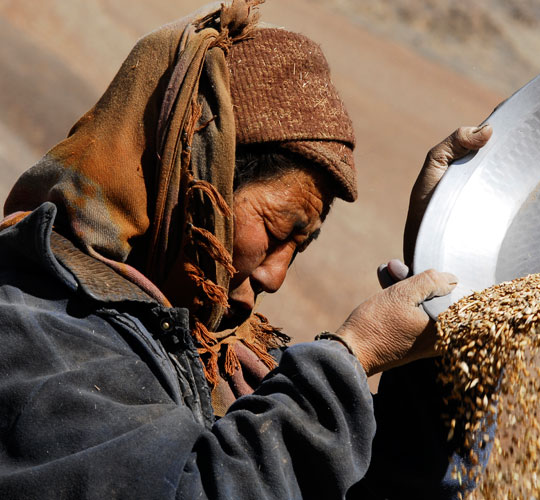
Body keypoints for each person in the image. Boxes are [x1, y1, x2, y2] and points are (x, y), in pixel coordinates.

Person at [0, 1, 492, 498]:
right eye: (277, 232)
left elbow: (385, 486)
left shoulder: (233, 356)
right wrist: (348, 359)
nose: (276, 277)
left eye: (298, 249)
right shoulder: (33, 329)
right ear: (195, 181)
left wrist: (439, 273)